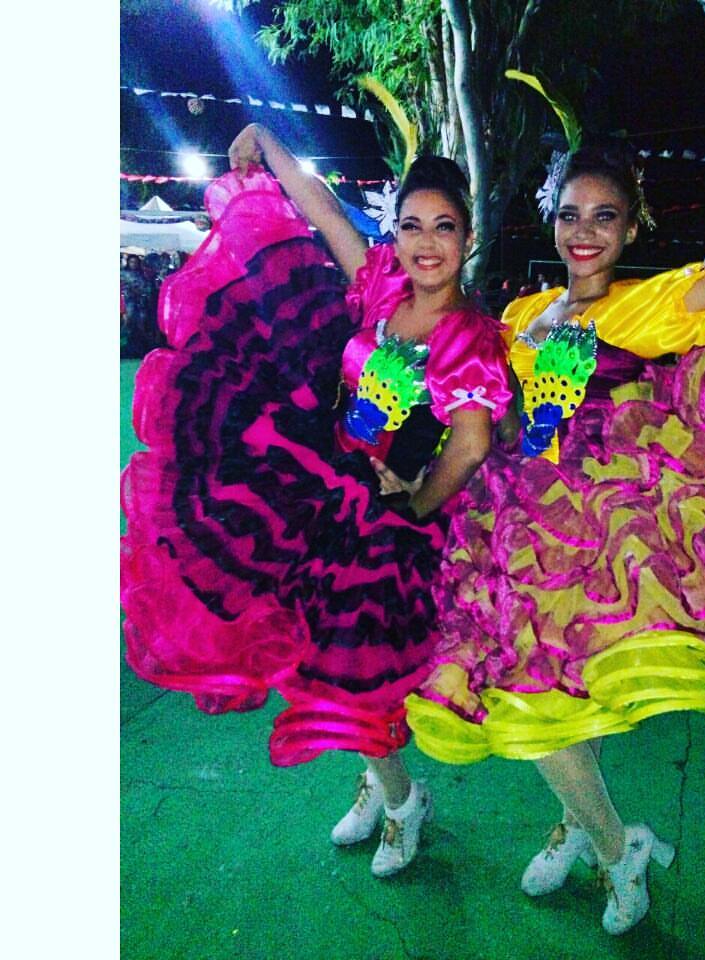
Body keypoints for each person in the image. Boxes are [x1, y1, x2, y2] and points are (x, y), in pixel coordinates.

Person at [403, 145, 705, 934]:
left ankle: (614, 847)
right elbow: (483, 406)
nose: (585, 232)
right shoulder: (519, 314)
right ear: (552, 219)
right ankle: (581, 824)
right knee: (564, 684)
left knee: (537, 697)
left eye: (605, 217)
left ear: (633, 228)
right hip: (515, 518)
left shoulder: (658, 301)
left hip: (605, 517)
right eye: (571, 214)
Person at [120, 123, 513, 878]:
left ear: (468, 237)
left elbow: (469, 445)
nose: (425, 244)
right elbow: (325, 210)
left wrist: (415, 506)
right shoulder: (383, 284)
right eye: (411, 226)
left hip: (385, 528)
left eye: (444, 228)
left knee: (349, 678)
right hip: (318, 488)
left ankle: (403, 803)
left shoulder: (468, 335)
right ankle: (383, 785)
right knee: (304, 656)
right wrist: (266, 141)